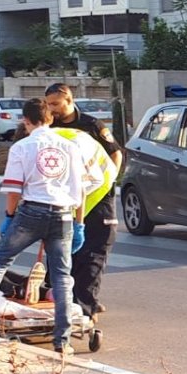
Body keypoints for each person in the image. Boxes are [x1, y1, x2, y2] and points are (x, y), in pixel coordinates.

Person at [0, 99, 86, 355]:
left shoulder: (22, 147)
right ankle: (62, 340)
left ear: (26, 121)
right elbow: (80, 189)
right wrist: (79, 223)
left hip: (31, 212)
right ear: (50, 118)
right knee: (62, 275)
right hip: (63, 214)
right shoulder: (70, 147)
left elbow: (14, 189)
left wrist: (9, 216)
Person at [43, 82, 121, 320]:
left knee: (94, 251)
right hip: (64, 200)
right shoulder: (49, 125)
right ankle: (59, 303)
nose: (51, 109)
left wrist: (108, 184)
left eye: (55, 104)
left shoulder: (91, 125)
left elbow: (115, 153)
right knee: (63, 252)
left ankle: (86, 305)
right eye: (48, 104)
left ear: (69, 100)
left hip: (96, 197)